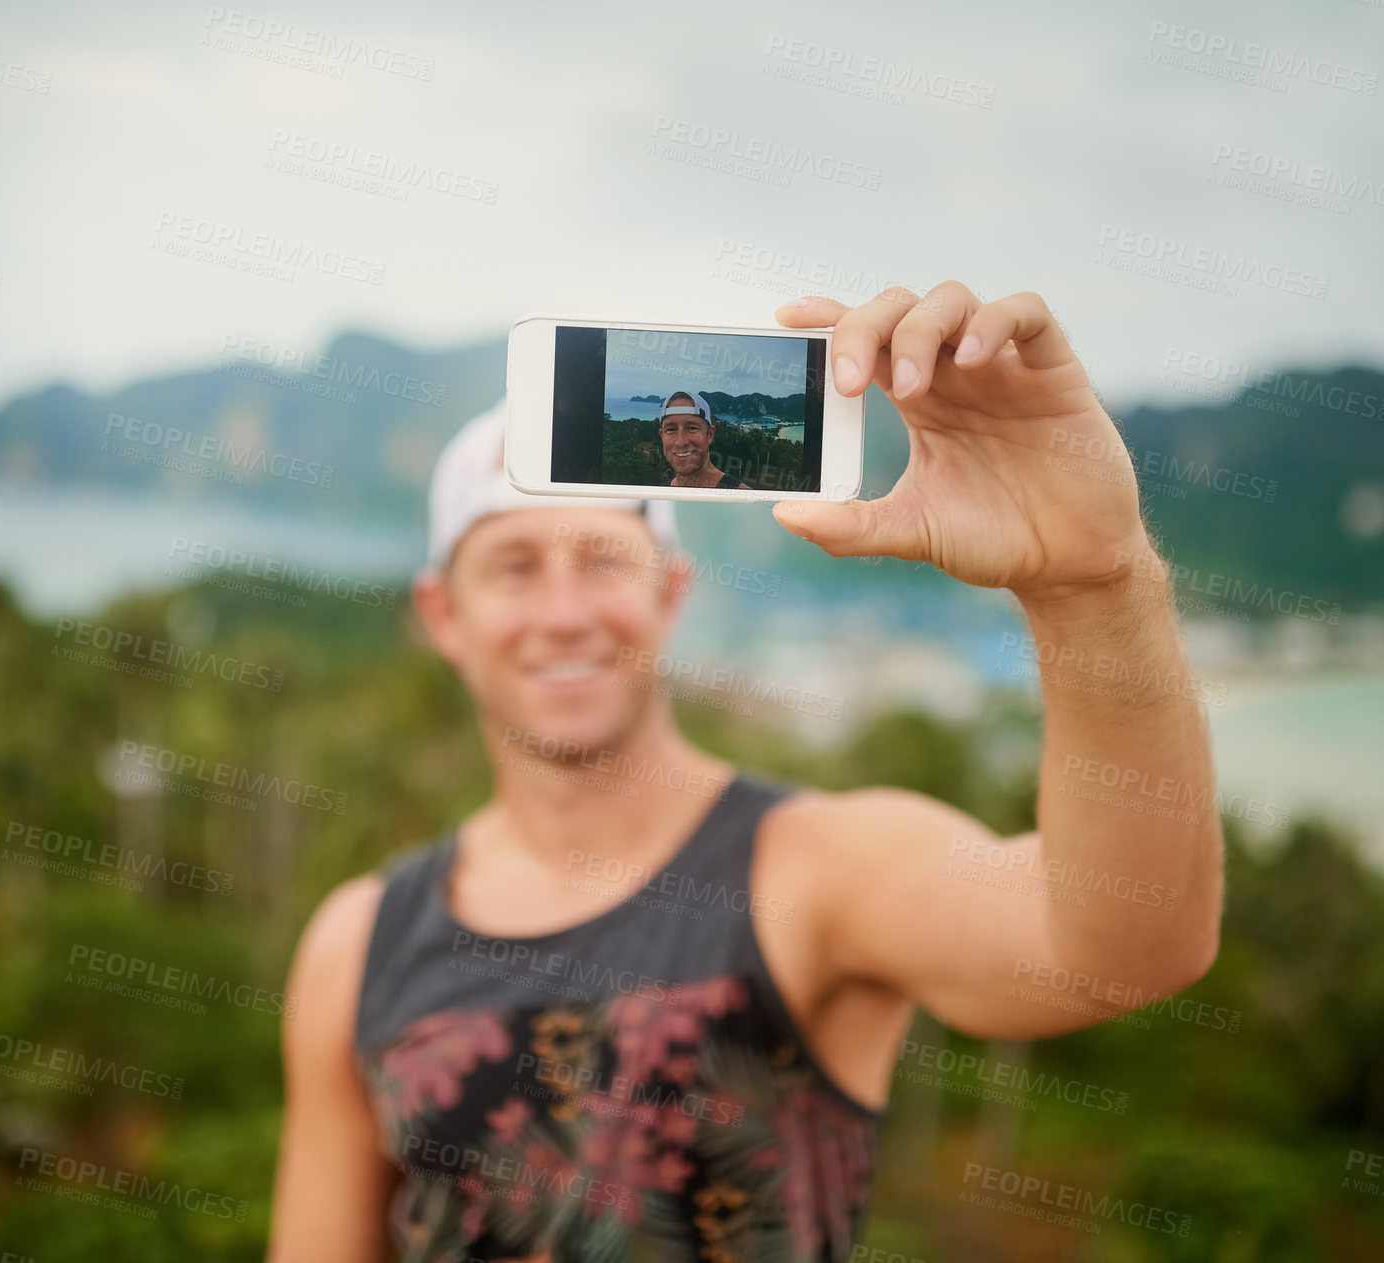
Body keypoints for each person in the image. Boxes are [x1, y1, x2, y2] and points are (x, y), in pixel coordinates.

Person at [267, 285, 1225, 1262]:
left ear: (671, 590)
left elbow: (1125, 947)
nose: (562, 613)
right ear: (443, 616)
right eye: (513, 568)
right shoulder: (360, 945)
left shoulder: (818, 871)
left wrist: (1092, 581)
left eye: (602, 560)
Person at [657, 389, 746, 488]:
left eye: (692, 428)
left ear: (710, 434)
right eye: (671, 429)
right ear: (662, 436)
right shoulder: (656, 497)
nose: (680, 442)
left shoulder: (741, 498)